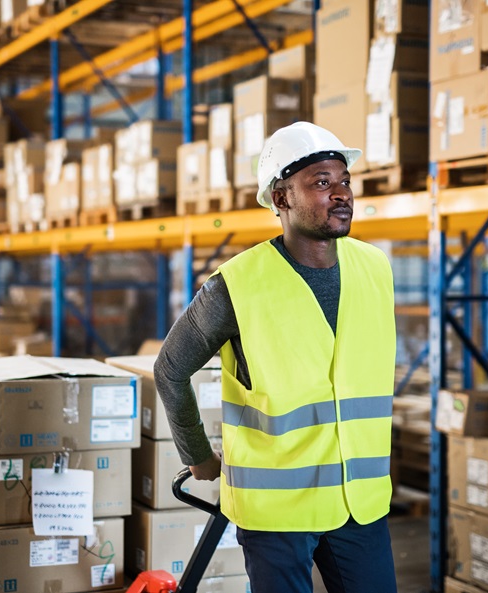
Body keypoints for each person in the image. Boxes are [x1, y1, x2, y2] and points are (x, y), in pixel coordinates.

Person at [154, 121, 398, 593]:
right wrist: (198, 456)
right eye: (322, 183)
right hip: (277, 513)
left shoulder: (376, 269)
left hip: (359, 502)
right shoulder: (236, 285)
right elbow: (170, 369)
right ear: (282, 199)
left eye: (344, 181)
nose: (341, 193)